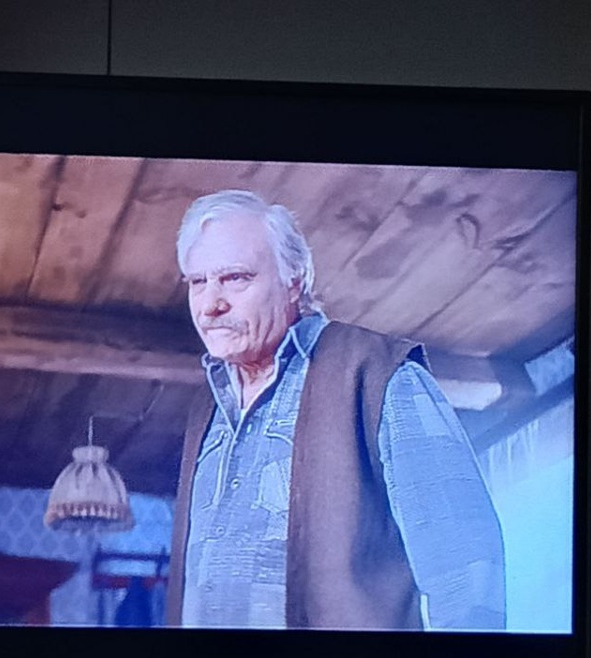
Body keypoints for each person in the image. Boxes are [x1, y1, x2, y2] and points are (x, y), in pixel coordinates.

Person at [165, 190, 506, 631]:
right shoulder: (205, 409)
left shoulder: (378, 374)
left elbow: (467, 574)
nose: (210, 305)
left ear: (295, 279)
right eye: (197, 282)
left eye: (235, 278)